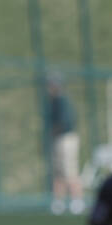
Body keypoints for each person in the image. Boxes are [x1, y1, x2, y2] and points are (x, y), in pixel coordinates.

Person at [43, 75, 83, 214]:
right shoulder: (53, 101)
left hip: (66, 139)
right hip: (58, 139)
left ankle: (77, 200)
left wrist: (54, 131)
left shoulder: (62, 101)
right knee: (58, 171)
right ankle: (58, 202)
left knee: (70, 170)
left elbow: (65, 122)